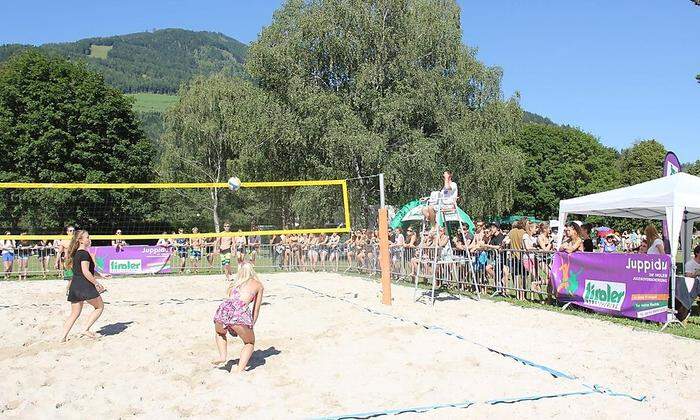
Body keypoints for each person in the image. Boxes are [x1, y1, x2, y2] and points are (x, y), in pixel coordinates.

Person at [212, 262, 264, 373]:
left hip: (224, 309)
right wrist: (251, 324)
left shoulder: (234, 284)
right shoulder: (258, 285)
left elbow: (232, 299)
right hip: (239, 312)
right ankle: (240, 369)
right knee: (249, 342)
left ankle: (222, 356)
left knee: (220, 333)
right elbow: (256, 308)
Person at [60, 230, 110, 342]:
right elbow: (85, 272)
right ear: (81, 240)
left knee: (74, 314)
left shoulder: (76, 253)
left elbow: (82, 271)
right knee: (99, 307)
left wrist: (101, 275)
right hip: (84, 286)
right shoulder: (84, 254)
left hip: (75, 286)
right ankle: (85, 329)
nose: (89, 239)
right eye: (87, 237)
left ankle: (62, 337)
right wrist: (97, 283)